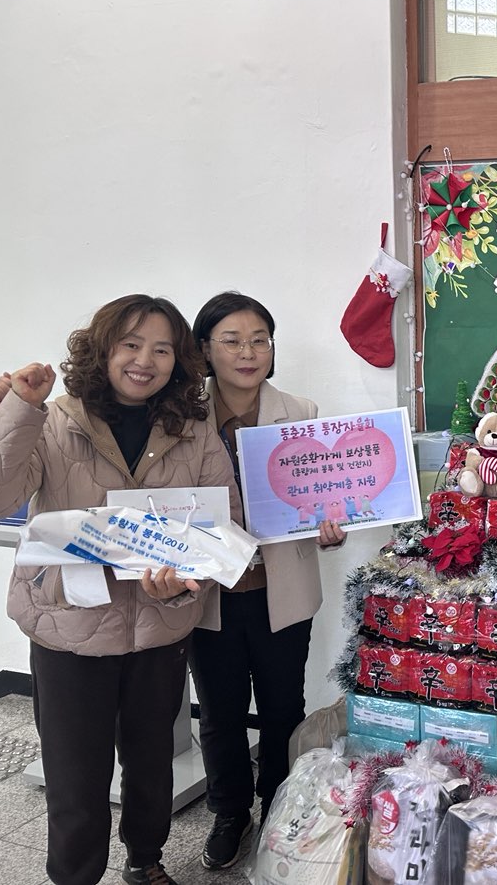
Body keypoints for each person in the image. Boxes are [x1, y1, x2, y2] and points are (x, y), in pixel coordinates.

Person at [0, 295, 240, 885]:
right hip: (69, 627)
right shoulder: (52, 419)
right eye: (130, 345)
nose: (144, 361)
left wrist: (182, 583)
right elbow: (0, 498)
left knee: (152, 763)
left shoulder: (193, 428)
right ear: (102, 350)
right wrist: (17, 411)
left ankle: (145, 861)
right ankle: (74, 875)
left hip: (158, 627)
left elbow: (219, 524)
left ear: (178, 361)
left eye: (161, 349)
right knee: (75, 773)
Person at [189, 291, 345, 870]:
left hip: (283, 591)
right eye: (231, 340)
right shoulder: (181, 419)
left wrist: (335, 529)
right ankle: (229, 812)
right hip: (210, 598)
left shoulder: (301, 411)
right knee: (220, 710)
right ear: (205, 349)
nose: (248, 352)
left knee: (284, 707)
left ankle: (279, 803)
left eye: (260, 339)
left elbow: (329, 499)